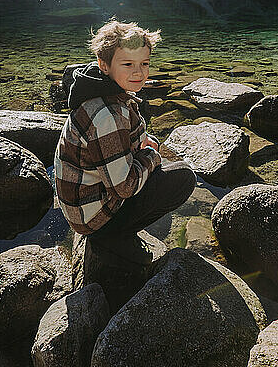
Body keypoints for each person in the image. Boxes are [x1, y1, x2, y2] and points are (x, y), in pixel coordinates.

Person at [54, 17, 196, 263]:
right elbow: (124, 188)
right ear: (104, 64)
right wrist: (150, 156)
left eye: (144, 63)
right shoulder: (107, 115)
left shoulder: (99, 89)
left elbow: (125, 136)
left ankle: (113, 230)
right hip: (92, 219)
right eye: (128, 64)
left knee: (155, 163)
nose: (139, 72)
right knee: (183, 178)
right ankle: (113, 236)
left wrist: (143, 144)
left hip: (82, 203)